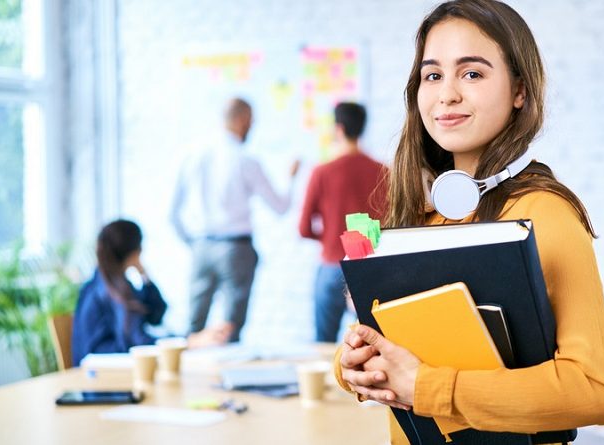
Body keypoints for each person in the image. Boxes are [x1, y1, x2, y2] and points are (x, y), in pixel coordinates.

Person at [335, 0, 604, 442]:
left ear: (519, 91)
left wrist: (426, 386)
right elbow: (401, 352)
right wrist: (354, 366)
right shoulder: (417, 215)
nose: (447, 93)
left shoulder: (545, 213)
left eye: (472, 73)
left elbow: (597, 390)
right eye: (433, 75)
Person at [170, 97, 299, 343]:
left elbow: (172, 213)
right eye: (251, 121)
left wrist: (194, 243)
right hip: (236, 250)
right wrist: (290, 178)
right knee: (231, 329)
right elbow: (280, 207)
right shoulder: (244, 159)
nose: (252, 126)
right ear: (242, 120)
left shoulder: (193, 155)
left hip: (201, 246)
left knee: (194, 329)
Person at [72, 219, 232, 366]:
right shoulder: (105, 292)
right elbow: (137, 343)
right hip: (102, 375)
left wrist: (144, 275)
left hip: (109, 371)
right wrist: (188, 342)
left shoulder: (115, 285)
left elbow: (156, 314)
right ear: (135, 252)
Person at [298, 102, 388, 342]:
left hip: (331, 266)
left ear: (338, 129)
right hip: (367, 269)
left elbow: (304, 228)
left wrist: (331, 238)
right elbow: (391, 225)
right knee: (366, 344)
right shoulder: (383, 172)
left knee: (323, 343)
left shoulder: (322, 172)